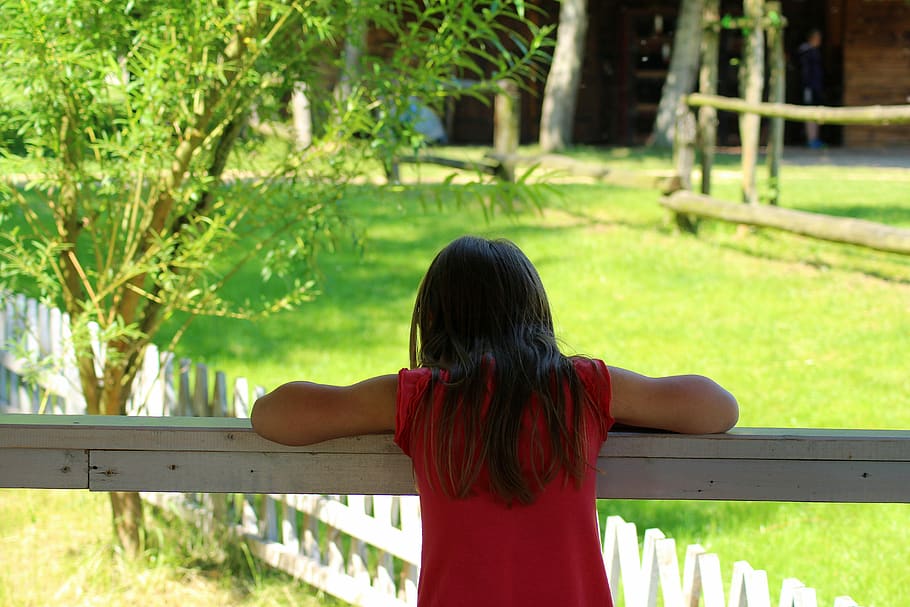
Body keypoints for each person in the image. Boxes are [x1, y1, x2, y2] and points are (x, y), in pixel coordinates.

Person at [251, 235, 739, 607]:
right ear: (533, 311)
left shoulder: (421, 398)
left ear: (433, 318)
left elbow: (273, 415)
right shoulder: (583, 389)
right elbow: (719, 408)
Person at [798, 28, 825, 149]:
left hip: (816, 87)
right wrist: (807, 85)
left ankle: (815, 138)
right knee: (809, 111)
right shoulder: (806, 52)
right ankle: (811, 139)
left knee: (816, 111)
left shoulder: (814, 51)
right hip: (809, 87)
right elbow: (805, 72)